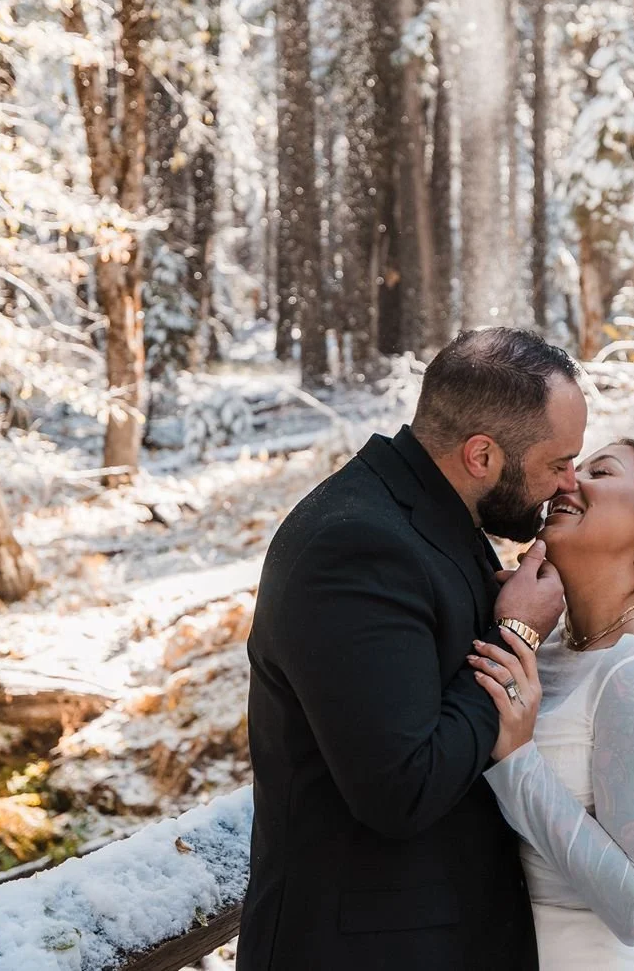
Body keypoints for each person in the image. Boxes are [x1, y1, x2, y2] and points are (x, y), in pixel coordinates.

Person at [239, 327, 588, 971]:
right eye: (557, 463)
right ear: (481, 455)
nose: (569, 485)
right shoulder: (352, 547)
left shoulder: (435, 515)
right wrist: (517, 636)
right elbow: (403, 787)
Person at [467, 439, 634, 969]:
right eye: (574, 464)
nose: (569, 478)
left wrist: (518, 760)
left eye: (601, 470)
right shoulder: (550, 645)